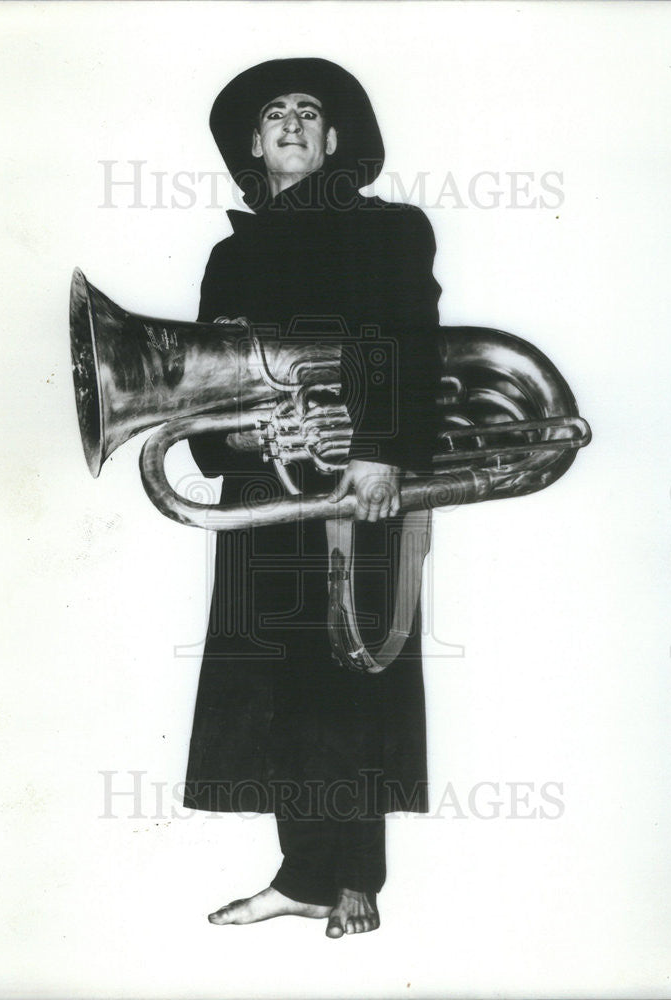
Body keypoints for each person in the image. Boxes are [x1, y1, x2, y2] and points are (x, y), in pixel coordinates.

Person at [184, 58, 441, 938]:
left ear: (334, 141)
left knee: (353, 666)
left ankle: (341, 877)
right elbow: (205, 384)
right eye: (273, 114)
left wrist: (378, 455)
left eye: (309, 112)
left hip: (360, 481)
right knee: (277, 683)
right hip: (271, 485)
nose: (291, 122)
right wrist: (238, 440)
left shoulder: (391, 229)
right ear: (254, 145)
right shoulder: (231, 254)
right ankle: (318, 878)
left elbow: (408, 343)